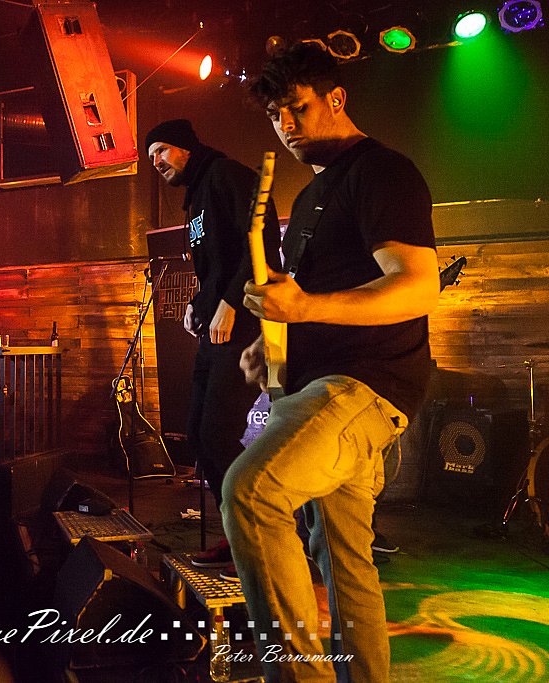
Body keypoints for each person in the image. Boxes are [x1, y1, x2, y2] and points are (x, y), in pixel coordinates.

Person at [222, 43, 439, 682]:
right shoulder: (317, 192)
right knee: (345, 565)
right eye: (274, 116)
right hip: (323, 384)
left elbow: (417, 287)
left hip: (362, 386)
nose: (285, 125)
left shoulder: (383, 172)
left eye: (297, 108)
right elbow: (310, 302)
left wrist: (307, 307)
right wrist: (273, 343)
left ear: (336, 98)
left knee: (251, 493)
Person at [145, 118, 280, 573]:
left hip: (240, 328)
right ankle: (239, 530)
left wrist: (230, 304)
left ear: (186, 147)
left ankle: (261, 528)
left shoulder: (225, 175)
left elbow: (262, 242)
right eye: (151, 156)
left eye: (161, 150)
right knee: (199, 436)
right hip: (213, 328)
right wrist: (196, 303)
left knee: (218, 435)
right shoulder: (196, 196)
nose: (156, 162)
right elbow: (216, 265)